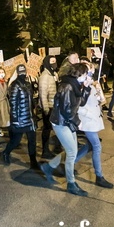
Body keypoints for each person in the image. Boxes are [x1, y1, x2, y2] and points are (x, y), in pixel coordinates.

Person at [40, 63, 91, 196]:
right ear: (79, 74)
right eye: (85, 74)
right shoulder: (67, 86)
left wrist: (86, 88)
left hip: (67, 122)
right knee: (72, 153)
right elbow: (67, 110)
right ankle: (71, 183)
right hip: (61, 122)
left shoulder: (75, 85)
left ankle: (48, 167)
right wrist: (77, 122)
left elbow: (82, 102)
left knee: (71, 150)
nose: (87, 76)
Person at [75, 75, 114, 188]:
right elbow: (78, 107)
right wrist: (90, 115)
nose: (90, 77)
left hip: (94, 121)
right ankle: (99, 176)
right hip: (88, 122)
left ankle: (70, 163)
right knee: (97, 146)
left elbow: (102, 101)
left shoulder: (91, 87)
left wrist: (99, 89)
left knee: (90, 145)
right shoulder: (80, 89)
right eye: (88, 74)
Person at [2, 64, 39, 169]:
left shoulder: (28, 84)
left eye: (24, 71)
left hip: (30, 118)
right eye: (21, 72)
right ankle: (6, 152)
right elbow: (13, 103)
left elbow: (31, 101)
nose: (23, 73)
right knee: (16, 141)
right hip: (20, 119)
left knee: (32, 140)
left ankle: (33, 161)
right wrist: (14, 120)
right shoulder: (14, 85)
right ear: (17, 73)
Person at [38, 55, 59, 158]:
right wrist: (45, 108)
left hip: (55, 105)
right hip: (49, 106)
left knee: (56, 127)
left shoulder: (54, 74)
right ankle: (45, 151)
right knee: (47, 129)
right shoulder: (44, 76)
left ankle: (57, 147)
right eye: (52, 62)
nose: (54, 64)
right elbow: (42, 94)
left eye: (55, 61)